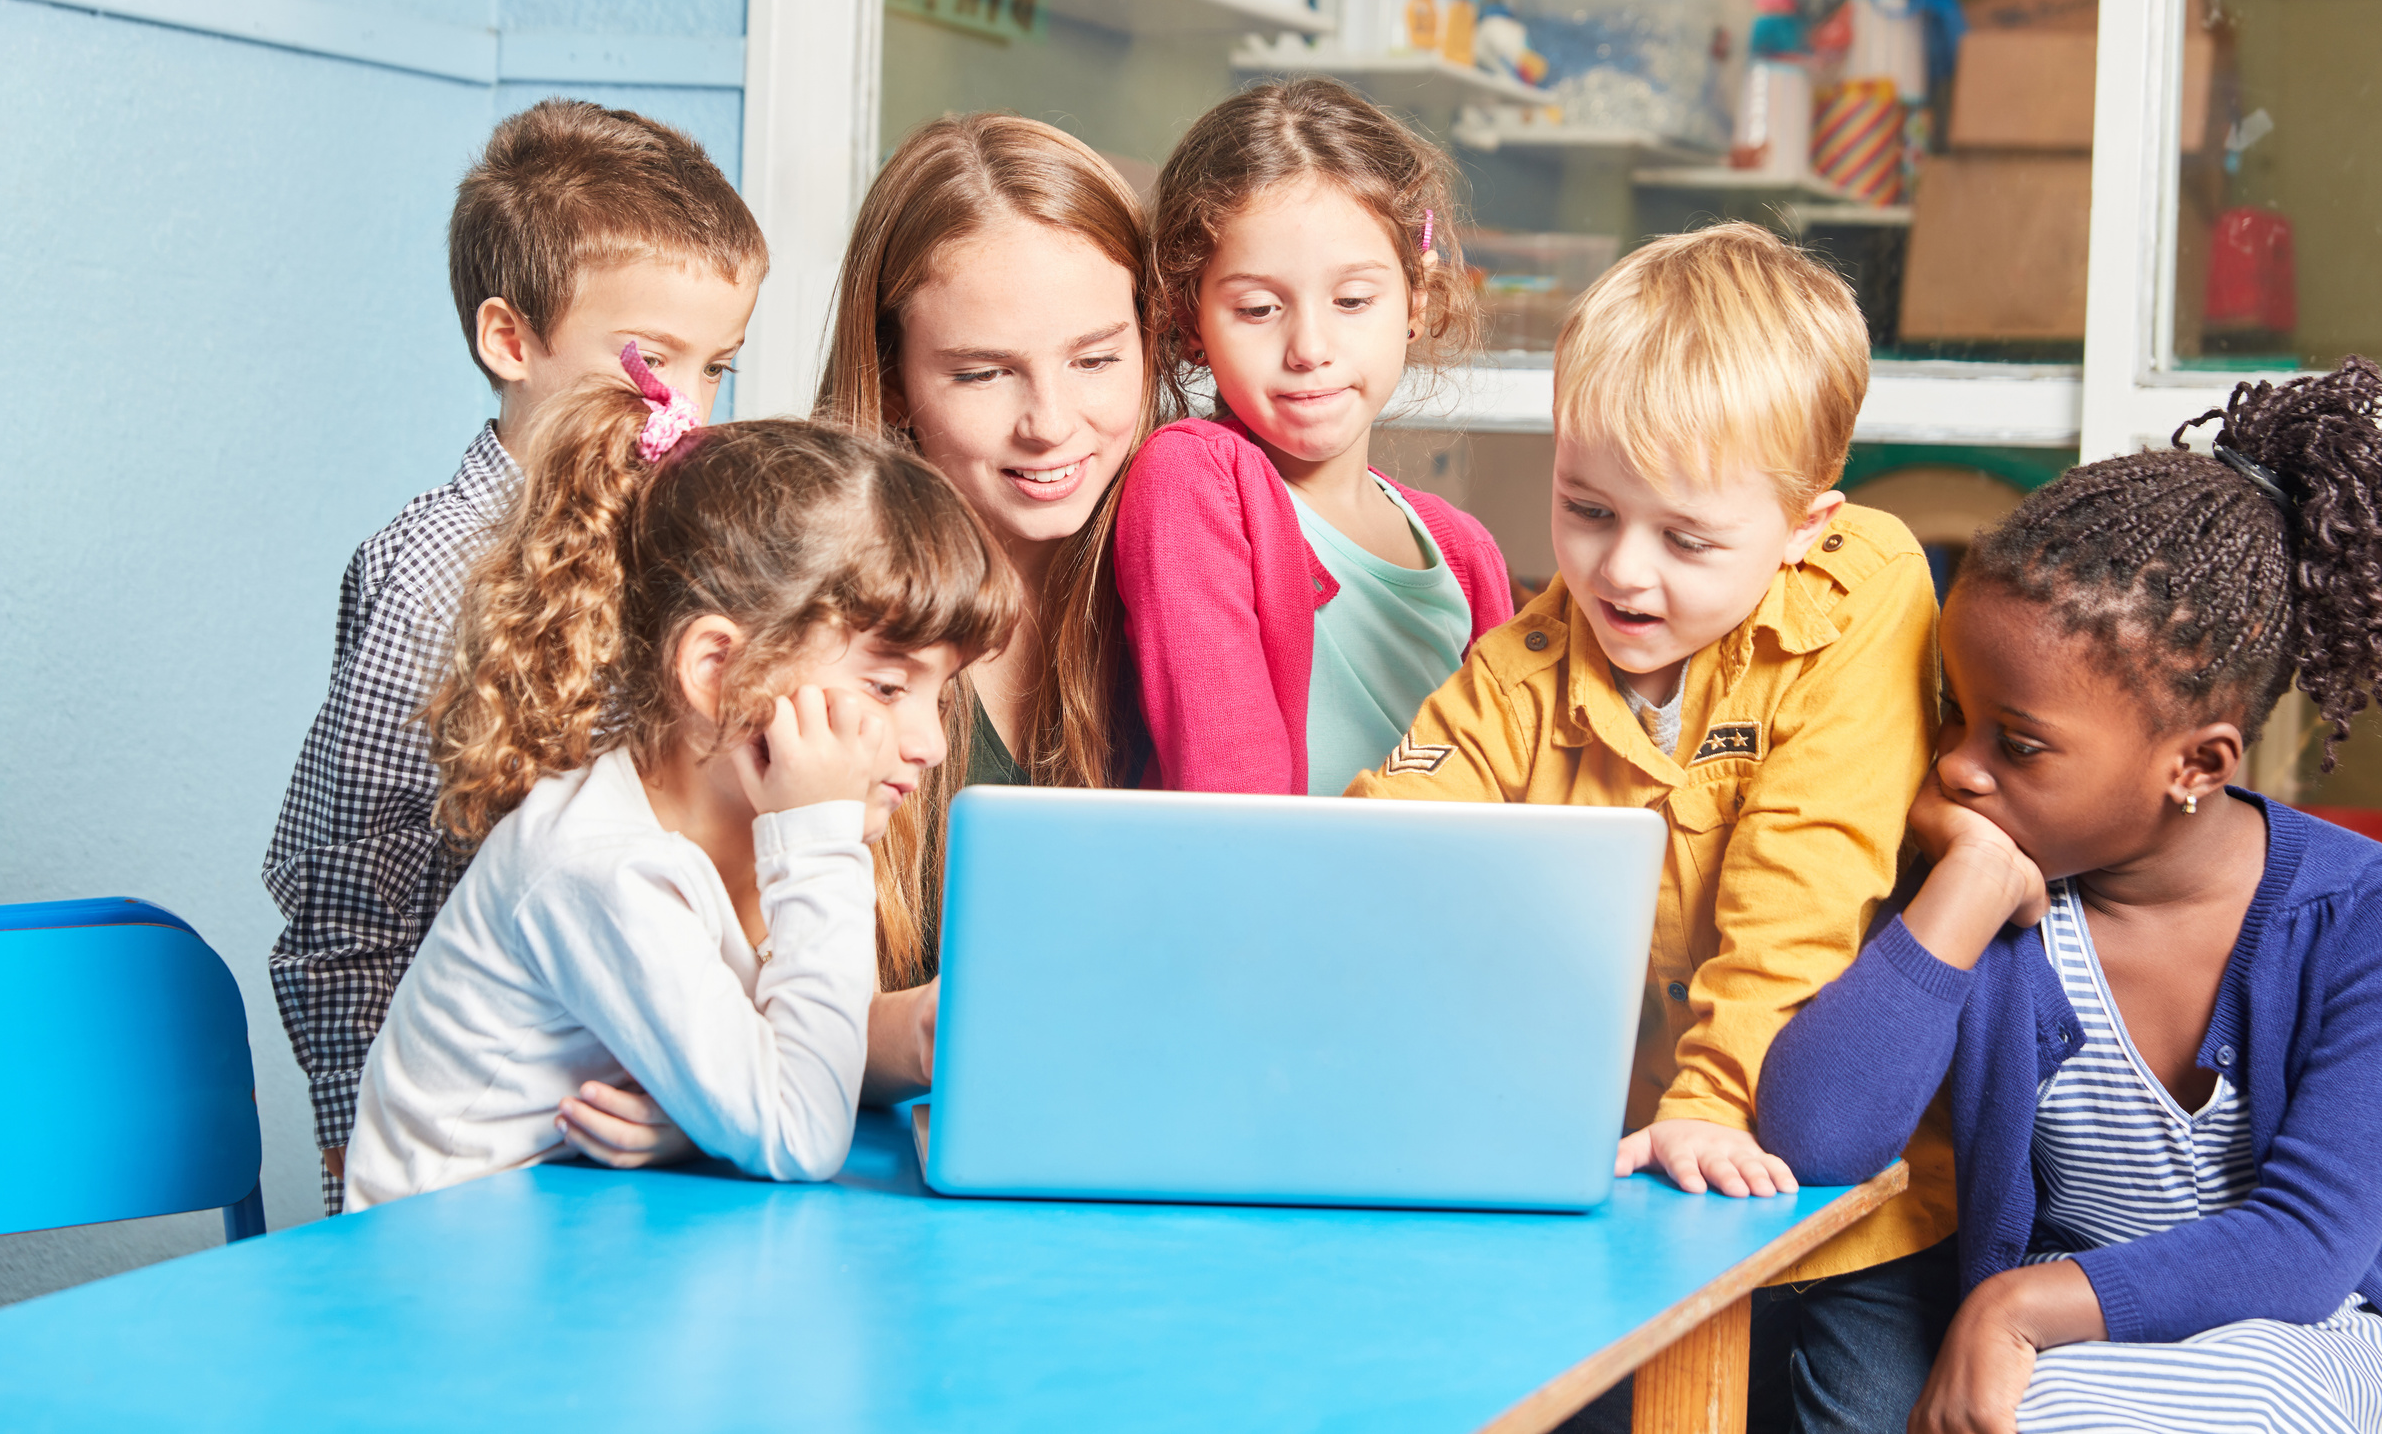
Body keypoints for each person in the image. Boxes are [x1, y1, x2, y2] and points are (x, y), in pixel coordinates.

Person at [1759, 359, 2382, 1434]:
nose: (1957, 768)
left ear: (2195, 764)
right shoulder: (1997, 880)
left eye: (2016, 743)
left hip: (2322, 1338)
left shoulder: (2370, 914)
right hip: (2072, 1347)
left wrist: (2016, 1305)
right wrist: (1955, 896)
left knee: (2215, 1398)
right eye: (1954, 717)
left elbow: (2302, 1249)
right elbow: (1815, 1138)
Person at [1346, 223, 1957, 1434]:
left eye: (1686, 539)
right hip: (1641, 1185)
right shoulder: (1520, 668)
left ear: (1804, 524)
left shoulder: (1863, 586)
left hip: (1850, 1186)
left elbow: (1804, 881)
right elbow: (1378, 859)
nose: (1620, 572)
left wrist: (1716, 1097)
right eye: (1585, 508)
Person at [341, 363, 1018, 1210]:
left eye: (939, 694)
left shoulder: (726, 826)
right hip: (443, 1279)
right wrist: (817, 840)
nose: (925, 743)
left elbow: (786, 1060)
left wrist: (917, 1036)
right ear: (718, 669)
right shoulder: (603, 870)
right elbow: (800, 1130)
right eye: (887, 687)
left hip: (587, 1239)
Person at [263, 100, 766, 1210]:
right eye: (651, 360)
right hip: (462, 1161)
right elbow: (346, 895)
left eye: (717, 366)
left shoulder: (678, 551)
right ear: (510, 340)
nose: (686, 408)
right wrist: (366, 1149)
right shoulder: (432, 570)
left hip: (618, 1147)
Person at [812, 113, 1187, 1103]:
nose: (1050, 422)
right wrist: (913, 1034)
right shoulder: (801, 620)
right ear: (891, 379)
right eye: (982, 373)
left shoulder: (1188, 594)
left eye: (1097, 359)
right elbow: (706, 1026)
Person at [1115, 78, 1514, 797]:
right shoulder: (1195, 481)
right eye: (1259, 307)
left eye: (1353, 300)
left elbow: (1513, 788)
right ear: (1190, 317)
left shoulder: (1466, 555)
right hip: (1272, 902)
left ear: (1415, 300)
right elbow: (1228, 789)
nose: (1309, 346)